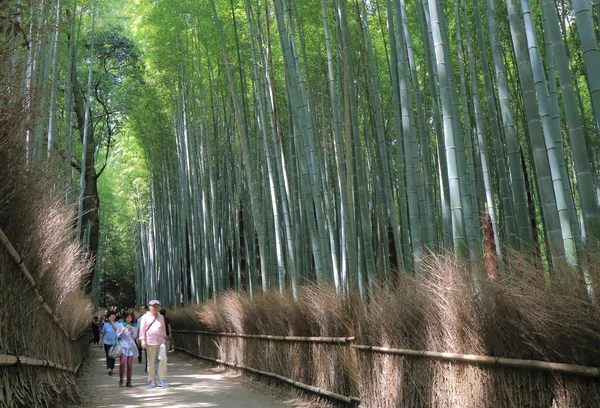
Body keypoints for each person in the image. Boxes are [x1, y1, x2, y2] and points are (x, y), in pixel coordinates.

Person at [139, 299, 168, 388]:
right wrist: (143, 340)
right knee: (151, 362)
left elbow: (163, 329)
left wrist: (165, 338)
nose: (155, 308)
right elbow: (142, 330)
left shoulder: (161, 317)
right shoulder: (145, 317)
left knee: (163, 359)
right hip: (150, 342)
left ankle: (161, 380)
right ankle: (151, 380)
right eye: (153, 306)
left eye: (157, 306)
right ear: (149, 307)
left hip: (160, 341)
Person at [118, 310, 139, 387]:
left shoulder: (135, 325)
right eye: (127, 317)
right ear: (125, 317)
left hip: (131, 346)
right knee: (122, 363)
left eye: (130, 317)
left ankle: (129, 381)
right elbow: (117, 336)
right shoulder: (121, 325)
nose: (129, 319)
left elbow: (134, 336)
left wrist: (132, 332)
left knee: (129, 364)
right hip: (123, 346)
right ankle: (121, 378)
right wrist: (122, 332)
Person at [100, 311, 119, 376]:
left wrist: (112, 322)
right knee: (108, 355)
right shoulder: (105, 325)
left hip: (114, 343)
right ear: (109, 317)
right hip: (107, 342)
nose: (113, 317)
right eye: (111, 316)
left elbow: (117, 329)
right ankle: (110, 368)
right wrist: (101, 341)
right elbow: (102, 333)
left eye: (114, 316)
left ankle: (111, 367)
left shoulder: (117, 323)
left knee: (113, 356)